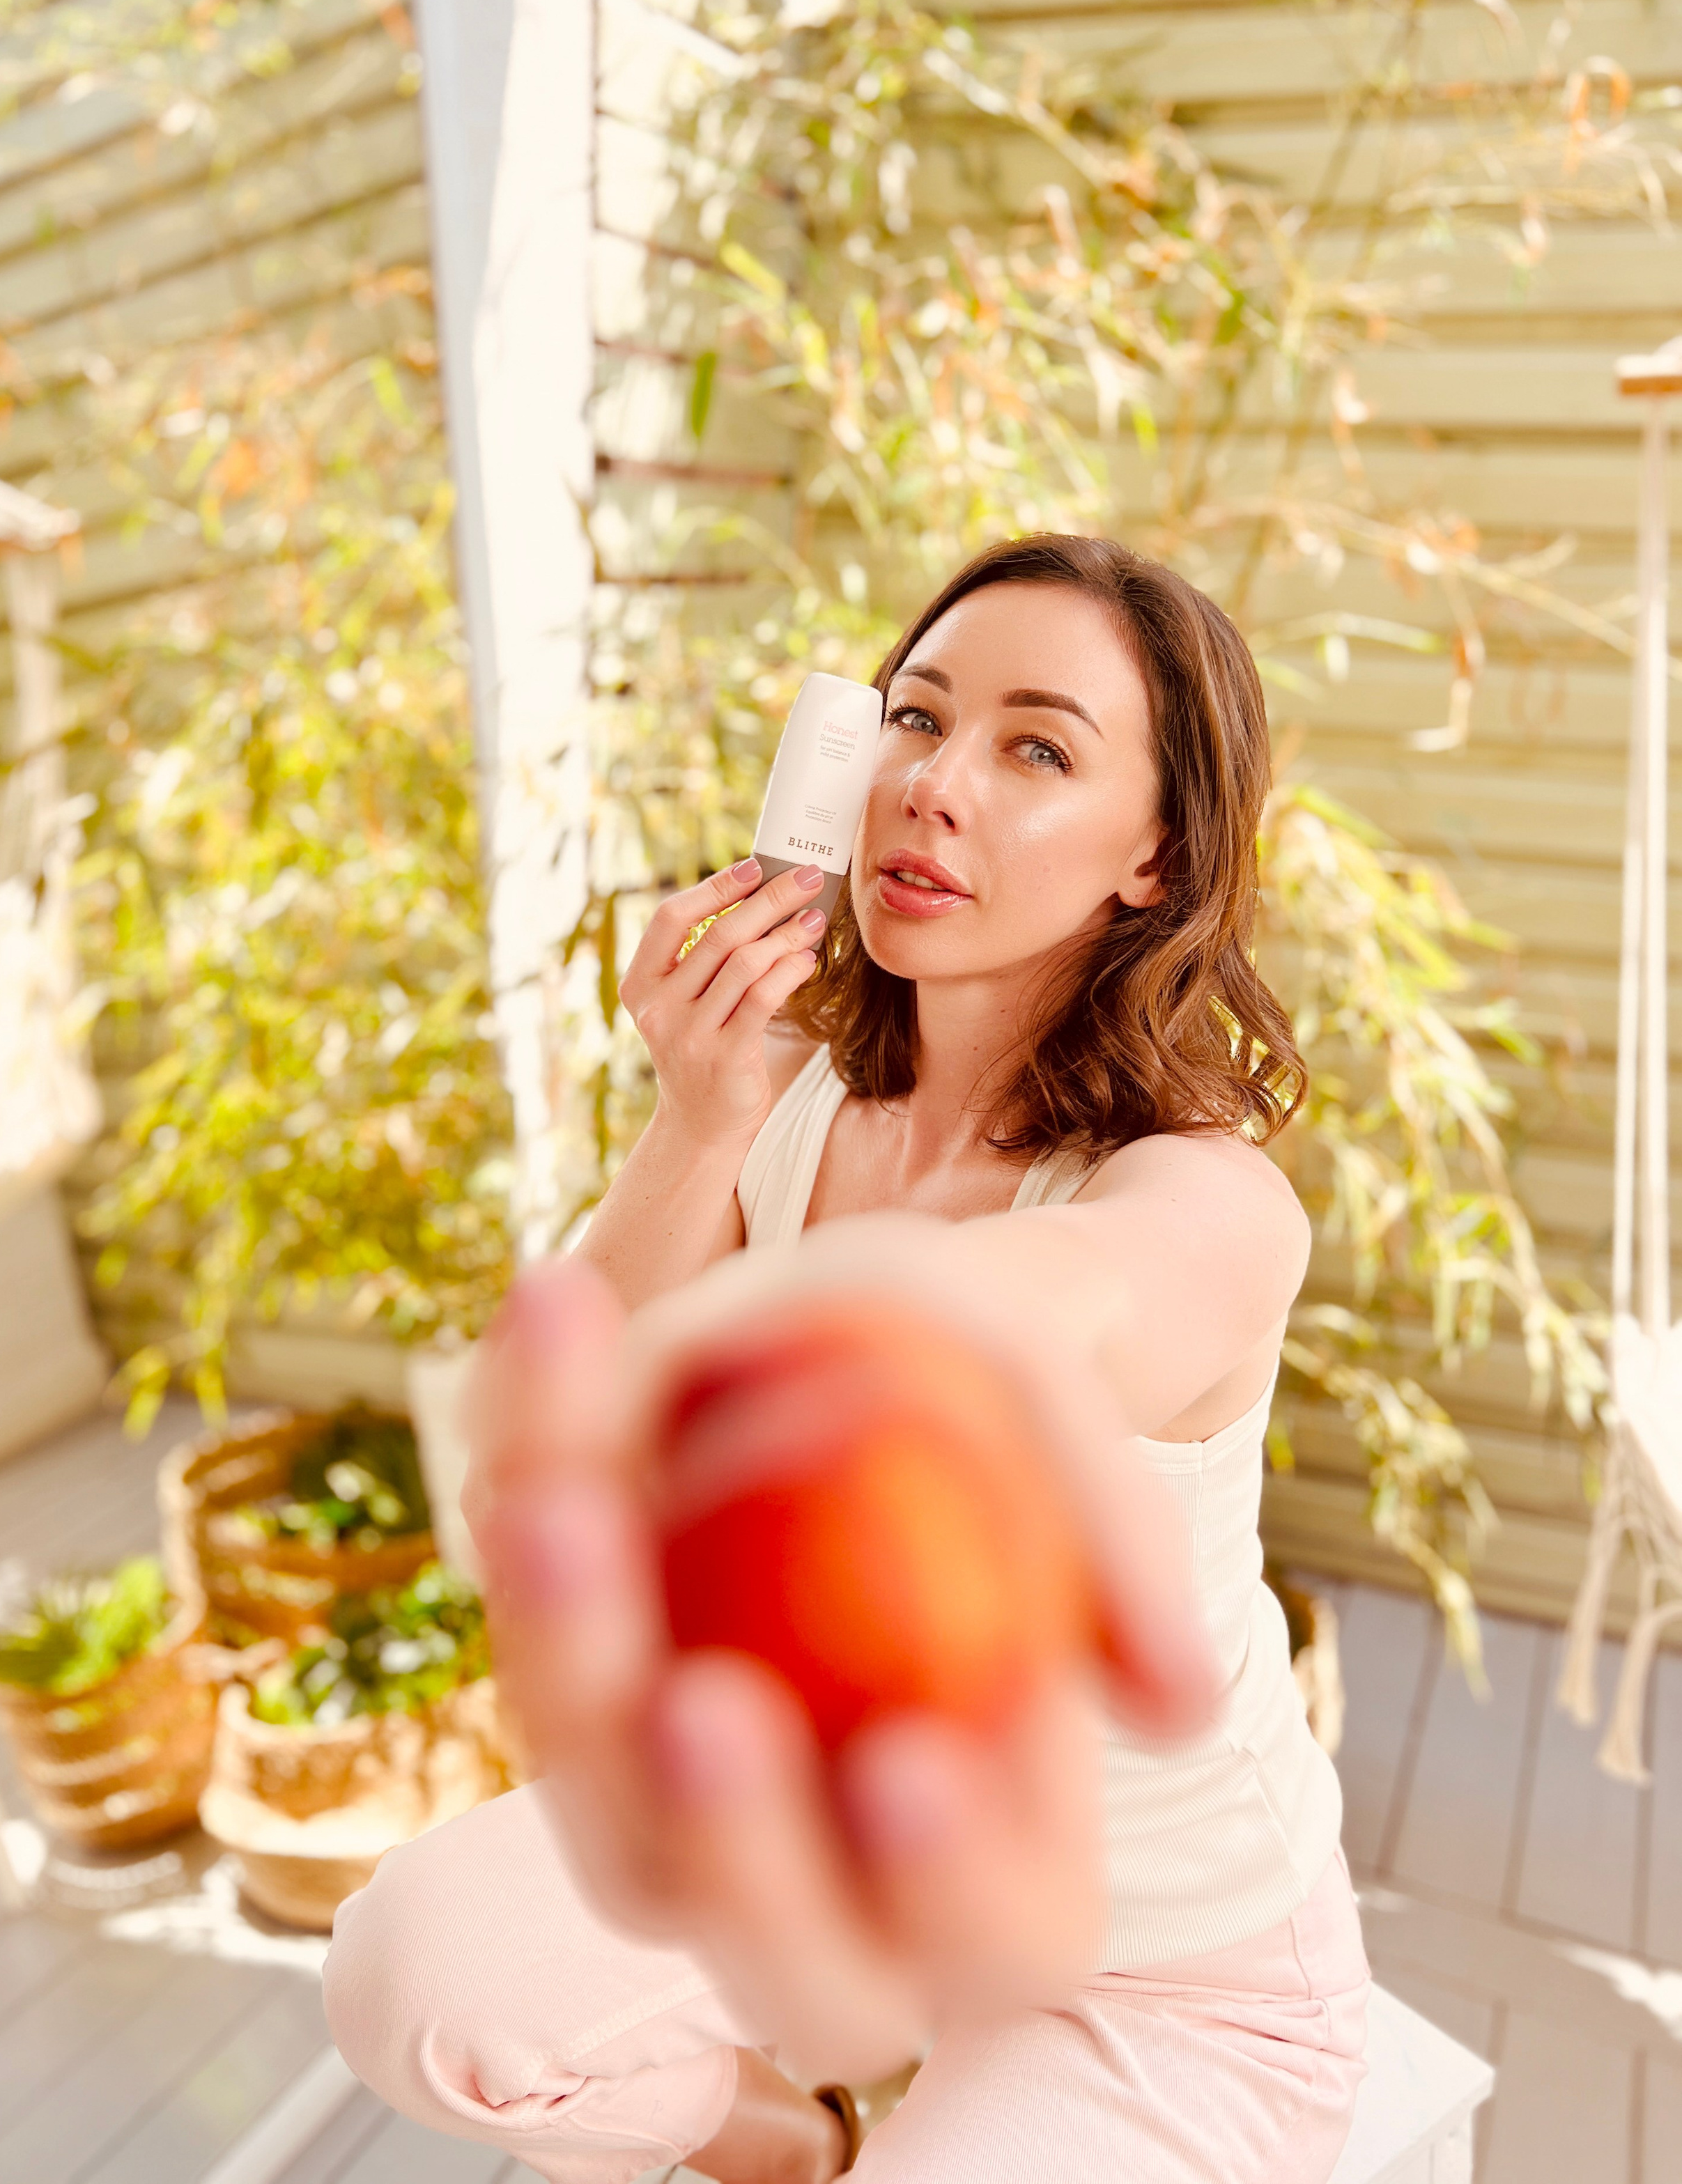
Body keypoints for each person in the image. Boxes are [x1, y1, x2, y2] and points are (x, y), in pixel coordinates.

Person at [323, 536, 1370, 2184]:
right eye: (912, 715)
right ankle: (793, 2137)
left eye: (1035, 747)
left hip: (1164, 1968)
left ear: (1154, 859)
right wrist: (695, 1121)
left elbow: (1029, 1318)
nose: (931, 784)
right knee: (419, 1976)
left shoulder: (1203, 1198)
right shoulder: (791, 1098)